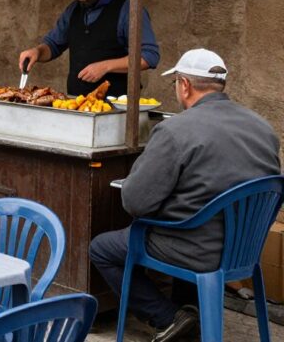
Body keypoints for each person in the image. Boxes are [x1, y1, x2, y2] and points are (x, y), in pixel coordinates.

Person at [90, 49, 280, 342]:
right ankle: (189, 311)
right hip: (244, 250)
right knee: (192, 220)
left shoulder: (175, 130)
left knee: (102, 248)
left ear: (185, 85)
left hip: (194, 250)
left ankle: (170, 318)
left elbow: (135, 202)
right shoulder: (264, 128)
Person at [18, 0, 160, 98]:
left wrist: (105, 66)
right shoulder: (73, 10)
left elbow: (149, 56)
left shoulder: (129, 10)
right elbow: (53, 44)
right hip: (76, 105)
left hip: (116, 110)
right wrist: (37, 52)